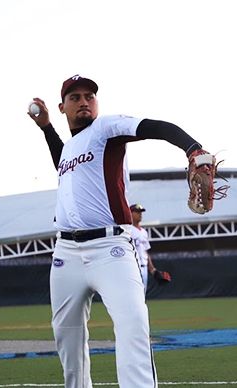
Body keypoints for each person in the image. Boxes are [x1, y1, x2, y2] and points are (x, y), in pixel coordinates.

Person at [28, 74, 208, 388]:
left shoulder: (106, 128)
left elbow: (155, 127)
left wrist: (192, 148)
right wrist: (45, 128)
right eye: (75, 97)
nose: (84, 101)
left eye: (89, 96)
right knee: (67, 342)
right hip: (65, 254)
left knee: (133, 324)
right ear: (62, 107)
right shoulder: (71, 150)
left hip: (109, 249)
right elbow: (63, 160)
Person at [129, 203, 170, 294]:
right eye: (137, 212)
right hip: (133, 268)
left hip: (144, 268)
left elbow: (145, 252)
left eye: (141, 212)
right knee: (134, 295)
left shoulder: (144, 232)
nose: (140, 214)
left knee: (142, 295)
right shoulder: (128, 230)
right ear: (130, 213)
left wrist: (152, 270)